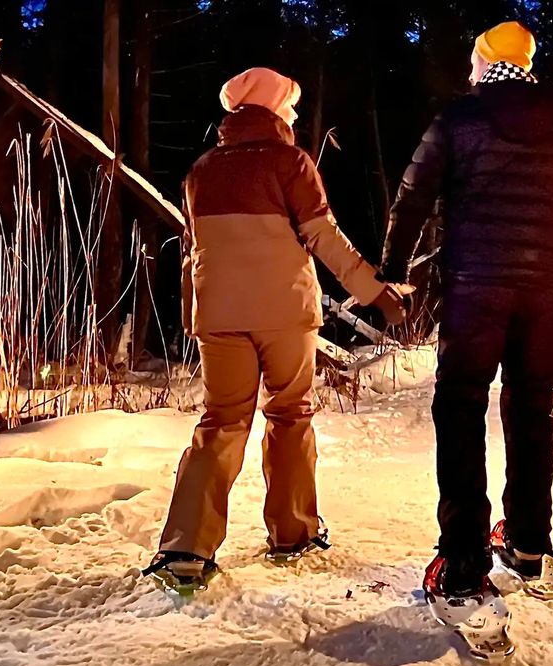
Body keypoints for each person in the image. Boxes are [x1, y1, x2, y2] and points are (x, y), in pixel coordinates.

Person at [145, 67, 407, 595]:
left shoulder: (201, 170)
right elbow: (323, 236)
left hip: (219, 317)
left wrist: (193, 314)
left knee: (221, 420)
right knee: (290, 413)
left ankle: (184, 547)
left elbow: (194, 251)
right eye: (288, 106)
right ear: (275, 111)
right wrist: (376, 291)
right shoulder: (291, 162)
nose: (290, 115)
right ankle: (294, 532)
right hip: (284, 313)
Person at [382, 23, 553, 608]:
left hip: (474, 291)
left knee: (459, 412)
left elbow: (412, 198)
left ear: (482, 61)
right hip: (542, 296)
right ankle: (530, 544)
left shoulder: (459, 120)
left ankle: (462, 562)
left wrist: (393, 272)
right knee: (533, 412)